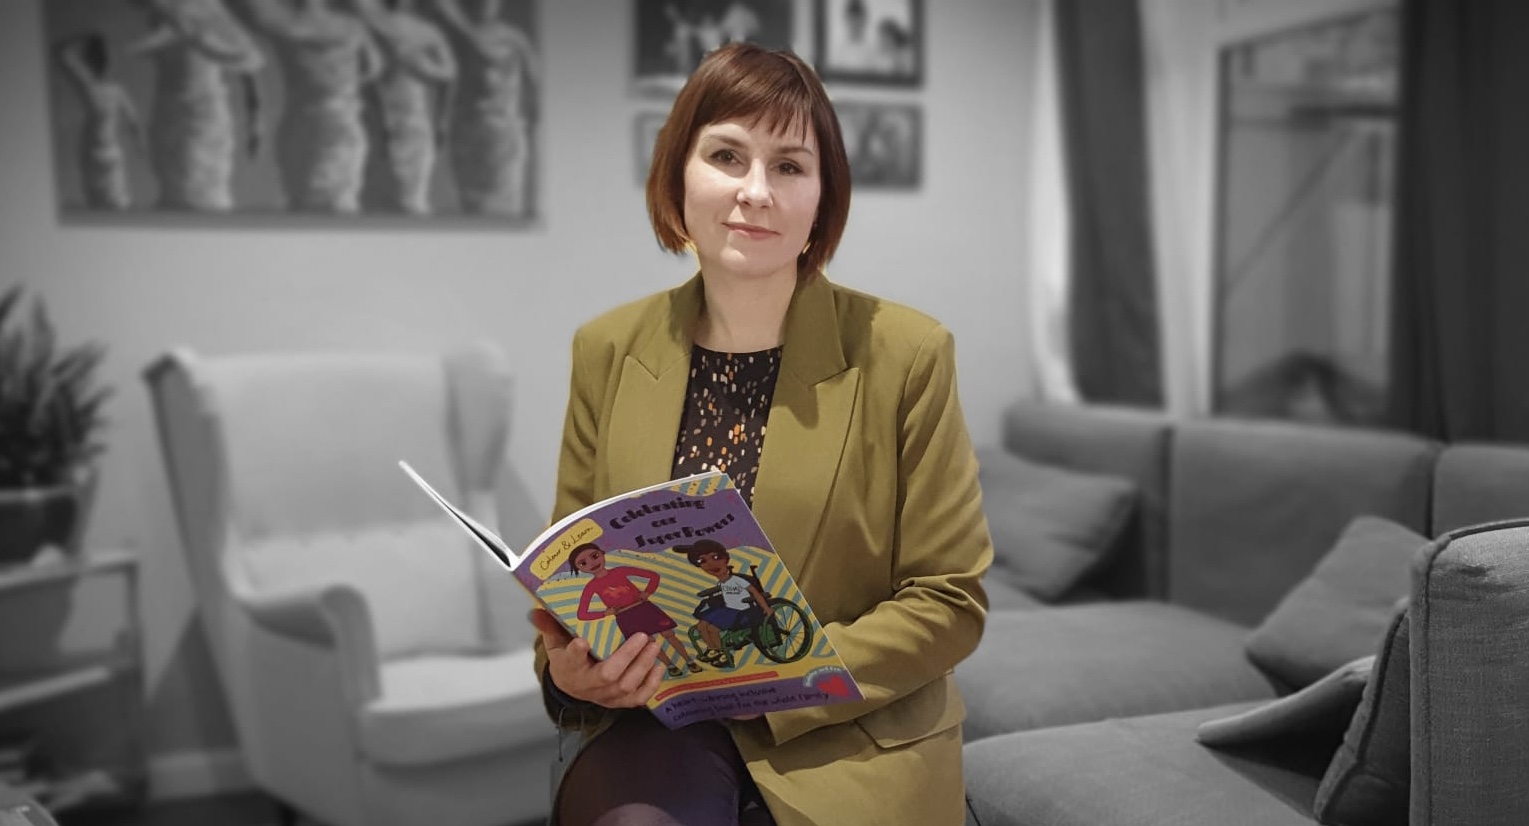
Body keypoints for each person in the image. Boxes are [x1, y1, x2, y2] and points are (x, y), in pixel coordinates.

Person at [530, 41, 991, 826]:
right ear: (679, 180)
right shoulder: (605, 348)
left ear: (821, 199)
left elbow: (949, 600)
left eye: (788, 165)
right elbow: (568, 566)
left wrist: (770, 673)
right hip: (655, 715)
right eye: (726, 156)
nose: (755, 191)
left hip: (845, 730)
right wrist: (568, 673)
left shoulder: (908, 353)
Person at [126, 0, 266, 211]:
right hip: (168, 112)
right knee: (173, 192)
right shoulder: (158, 14)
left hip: (205, 114)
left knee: (204, 193)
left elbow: (246, 61)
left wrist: (256, 119)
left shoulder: (209, 9)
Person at [569, 542, 704, 679]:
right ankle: (670, 666)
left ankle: (689, 661)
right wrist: (605, 613)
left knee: (668, 633)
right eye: (583, 563)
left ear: (602, 553)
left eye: (594, 556)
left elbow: (653, 576)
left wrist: (647, 592)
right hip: (625, 616)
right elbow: (582, 614)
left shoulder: (619, 571)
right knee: (649, 642)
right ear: (579, 569)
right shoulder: (591, 586)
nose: (592, 563)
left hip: (644, 608)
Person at [55, 32, 145, 210]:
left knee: (108, 203)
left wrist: (81, 36)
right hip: (102, 153)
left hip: (101, 153)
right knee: (111, 203)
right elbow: (135, 121)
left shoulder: (99, 88)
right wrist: (140, 144)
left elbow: (59, 52)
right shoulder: (104, 88)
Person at [676, 539, 771, 668]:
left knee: (712, 629)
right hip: (728, 610)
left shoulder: (738, 580)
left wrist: (766, 607)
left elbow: (755, 593)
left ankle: (724, 653)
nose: (710, 564)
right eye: (702, 561)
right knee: (701, 625)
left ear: (726, 558)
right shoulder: (721, 583)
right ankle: (713, 649)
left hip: (742, 611)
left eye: (715, 557)